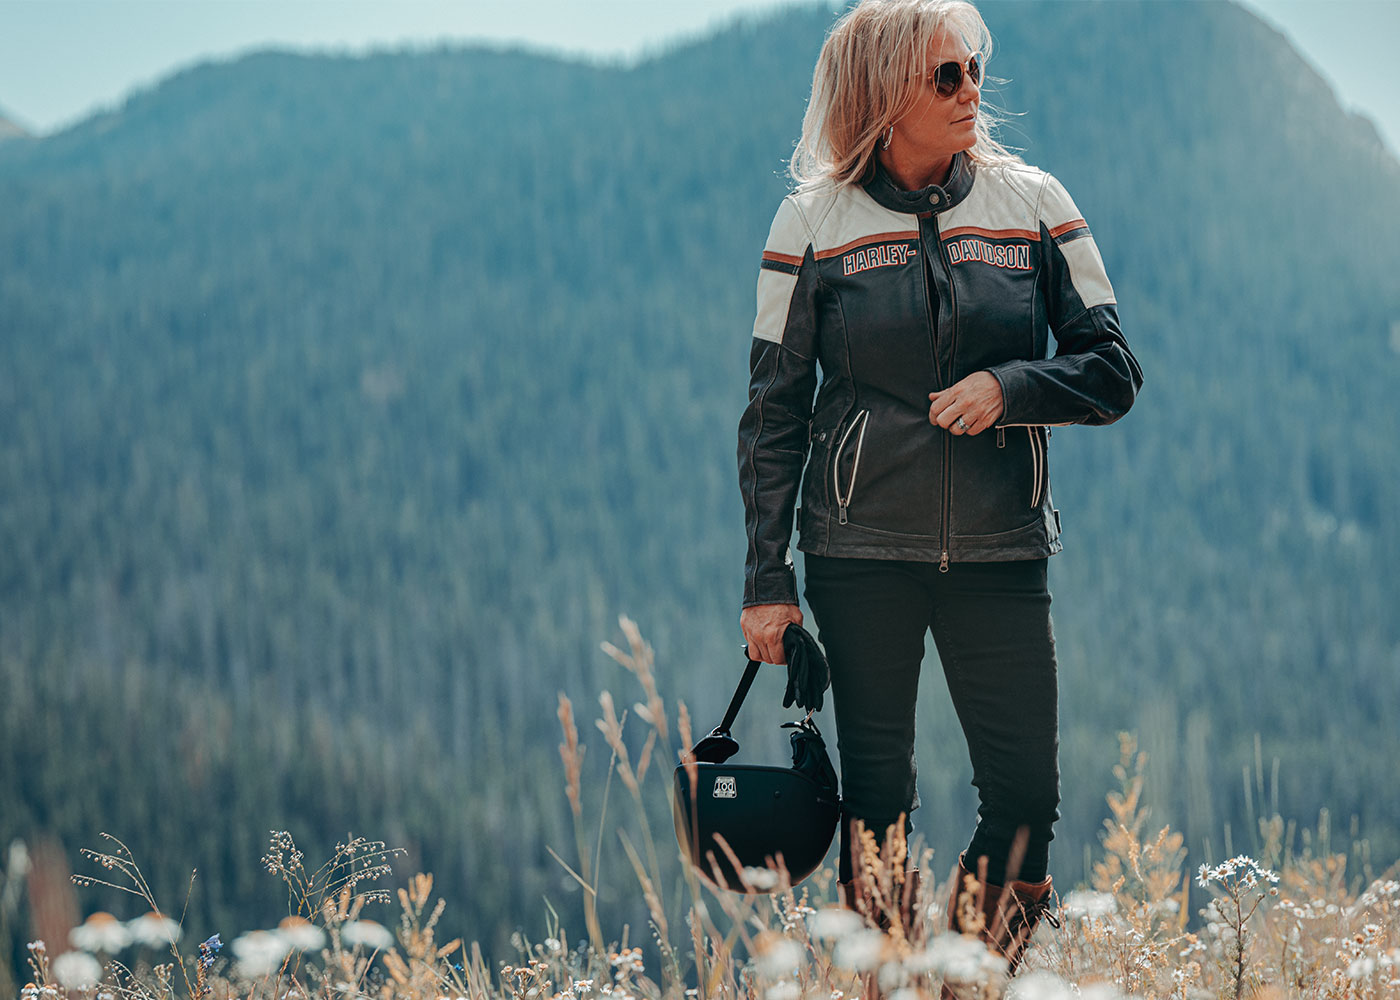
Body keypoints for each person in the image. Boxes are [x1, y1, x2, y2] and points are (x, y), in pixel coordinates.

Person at [736, 0, 1142, 971]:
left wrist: (1010, 388)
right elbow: (772, 414)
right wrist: (766, 581)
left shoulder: (1033, 203)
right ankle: (889, 984)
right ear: (884, 96)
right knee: (877, 808)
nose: (971, 92)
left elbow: (1112, 371)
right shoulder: (811, 221)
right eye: (946, 76)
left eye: (972, 70)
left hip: (1002, 547)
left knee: (1025, 807)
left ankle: (960, 981)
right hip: (857, 549)